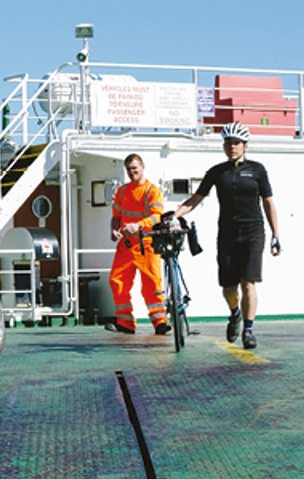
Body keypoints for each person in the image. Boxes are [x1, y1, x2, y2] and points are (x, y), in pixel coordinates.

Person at [175, 123, 281, 350]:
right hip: (227, 234)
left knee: (249, 283)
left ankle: (249, 330)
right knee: (228, 287)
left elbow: (268, 201)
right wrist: (175, 214)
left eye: (236, 143)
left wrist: (276, 235)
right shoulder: (217, 172)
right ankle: (235, 314)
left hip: (253, 231)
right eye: (228, 143)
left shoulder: (257, 170)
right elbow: (196, 198)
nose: (231, 147)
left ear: (245, 146)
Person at [104, 153, 169, 335]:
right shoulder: (122, 191)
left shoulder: (152, 191)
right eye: (129, 170)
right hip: (126, 245)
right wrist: (114, 230)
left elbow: (157, 216)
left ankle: (160, 321)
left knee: (152, 284)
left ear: (142, 167)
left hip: (147, 244)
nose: (132, 172)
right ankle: (125, 322)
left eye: (135, 168)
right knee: (117, 282)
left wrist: (139, 225)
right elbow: (116, 217)